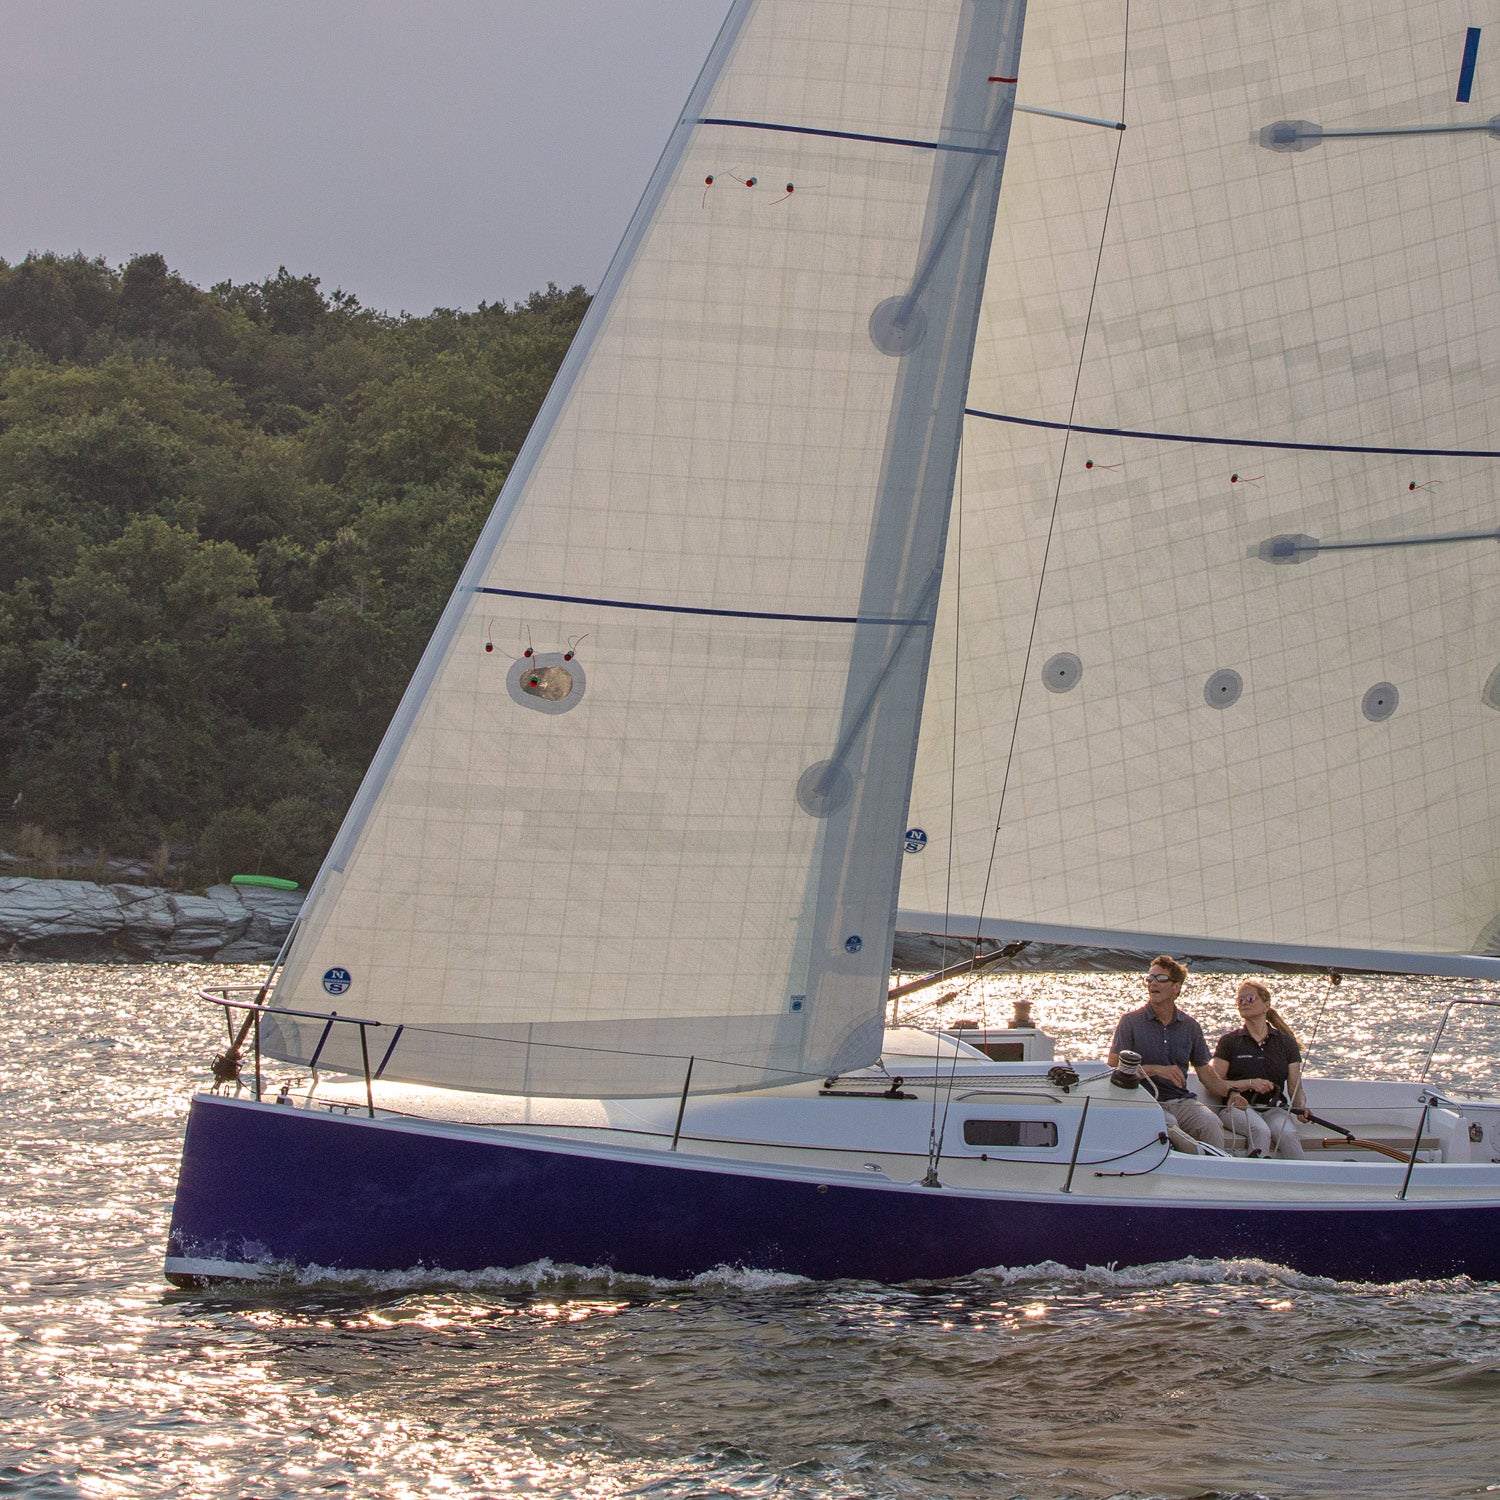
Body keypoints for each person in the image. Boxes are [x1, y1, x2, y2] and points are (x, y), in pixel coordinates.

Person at [1109, 956, 1226, 1151]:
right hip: (1145, 1100)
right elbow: (1113, 1066)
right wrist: (1156, 1070)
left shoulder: (1190, 1026)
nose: (1153, 983)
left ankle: (1218, 1169)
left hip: (1181, 1101)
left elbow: (1206, 1073)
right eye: (1150, 978)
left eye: (1160, 978)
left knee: (1211, 1123)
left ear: (1176, 988)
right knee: (1170, 1124)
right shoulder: (1130, 1022)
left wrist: (1232, 1093)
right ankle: (1198, 1158)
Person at [1210, 981, 1310, 1159]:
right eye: (1240, 1000)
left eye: (1249, 998)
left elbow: (1295, 1088)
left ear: (1266, 1005)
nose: (1243, 1003)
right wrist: (1250, 1084)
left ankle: (1302, 1174)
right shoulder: (1229, 1042)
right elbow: (1213, 1082)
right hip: (1237, 1107)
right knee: (1260, 1130)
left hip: (1273, 1108)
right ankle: (1258, 1172)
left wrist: (1301, 1107)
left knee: (1288, 1134)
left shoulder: (1286, 1043)